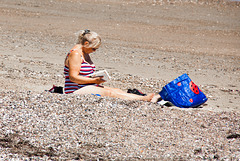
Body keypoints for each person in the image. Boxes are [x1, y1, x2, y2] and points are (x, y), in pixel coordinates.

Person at [64, 29, 155, 102]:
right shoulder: (75, 54)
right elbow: (73, 77)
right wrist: (94, 80)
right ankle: (142, 99)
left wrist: (95, 79)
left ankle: (140, 98)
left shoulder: (84, 52)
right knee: (110, 93)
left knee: (116, 90)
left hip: (86, 86)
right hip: (75, 90)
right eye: (94, 49)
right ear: (86, 44)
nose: (94, 51)